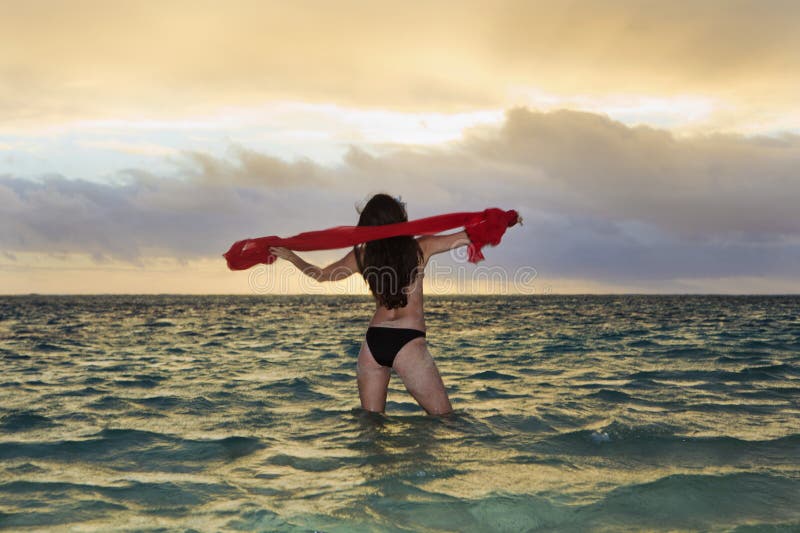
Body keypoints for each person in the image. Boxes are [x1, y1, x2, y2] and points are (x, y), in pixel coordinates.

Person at [269, 193, 470, 415]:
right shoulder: (421, 247)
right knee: (445, 419)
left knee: (372, 425)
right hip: (408, 340)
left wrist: (292, 257)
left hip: (374, 342)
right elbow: (467, 237)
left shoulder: (363, 255)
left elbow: (321, 275)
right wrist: (503, 221)